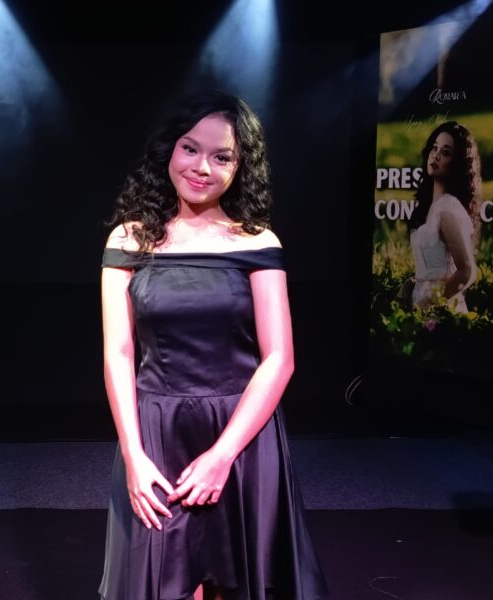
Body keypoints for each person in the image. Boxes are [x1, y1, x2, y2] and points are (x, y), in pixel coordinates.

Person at [99, 92, 326, 600]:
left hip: (240, 435)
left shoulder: (257, 242)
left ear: (240, 167)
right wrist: (134, 455)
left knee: (237, 579)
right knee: (163, 580)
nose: (202, 167)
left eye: (222, 156)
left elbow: (279, 359)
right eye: (190, 148)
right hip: (156, 433)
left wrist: (222, 456)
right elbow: (118, 353)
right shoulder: (128, 241)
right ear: (170, 150)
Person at [408, 121, 480, 313]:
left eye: (446, 152)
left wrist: (427, 305)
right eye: (434, 148)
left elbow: (467, 272)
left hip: (441, 310)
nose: (436, 155)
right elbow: (435, 268)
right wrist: (413, 283)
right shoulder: (431, 206)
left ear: (457, 164)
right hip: (422, 305)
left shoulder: (447, 208)